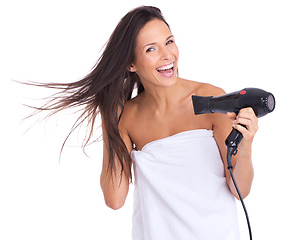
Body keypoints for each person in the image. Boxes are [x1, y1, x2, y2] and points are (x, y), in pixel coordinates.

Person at [29, 6, 258, 240]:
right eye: (151, 49)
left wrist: (246, 146)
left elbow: (239, 190)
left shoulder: (211, 100)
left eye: (169, 42)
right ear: (131, 64)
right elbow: (115, 200)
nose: (167, 55)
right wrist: (110, 117)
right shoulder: (127, 118)